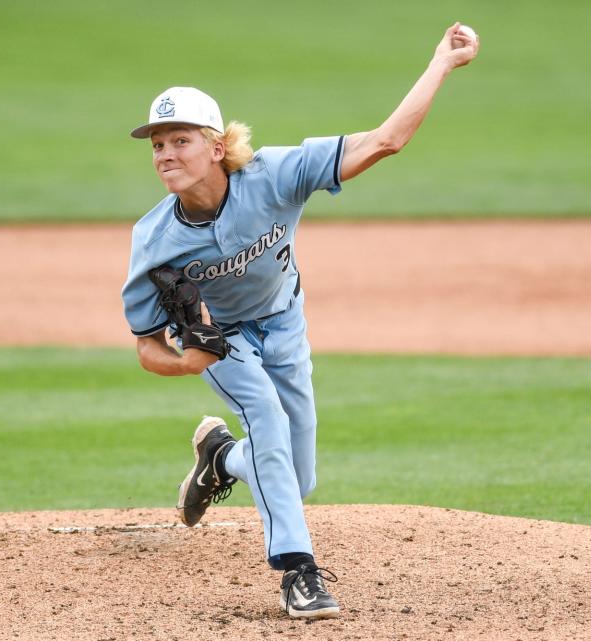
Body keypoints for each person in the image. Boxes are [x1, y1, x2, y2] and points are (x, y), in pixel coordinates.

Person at [122, 23, 479, 619]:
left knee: (294, 471)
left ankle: (220, 458)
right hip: (223, 341)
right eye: (157, 144)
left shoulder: (275, 175)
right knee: (264, 417)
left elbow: (386, 141)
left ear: (216, 146)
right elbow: (145, 345)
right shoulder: (153, 240)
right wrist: (188, 362)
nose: (164, 155)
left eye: (178, 140)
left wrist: (441, 62)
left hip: (285, 322)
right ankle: (298, 573)